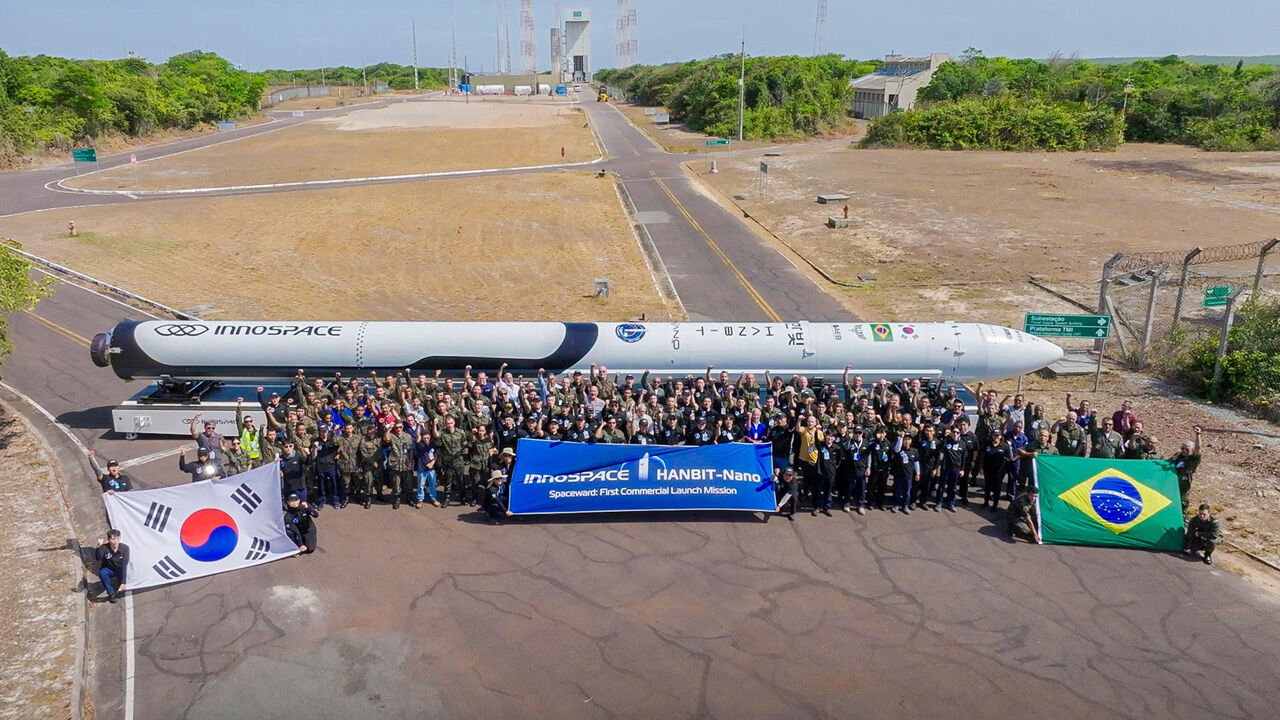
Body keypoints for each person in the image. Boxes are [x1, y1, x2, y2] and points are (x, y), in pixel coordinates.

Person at [1170, 426, 1203, 513]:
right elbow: (1168, 463)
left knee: (1182, 504)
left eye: (1187, 449)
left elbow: (1198, 448)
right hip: (1172, 482)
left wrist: (1198, 434)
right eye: (1182, 449)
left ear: (1191, 450)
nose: (1184, 451)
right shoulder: (1178, 455)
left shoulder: (1193, 459)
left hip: (1183, 485)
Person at [95, 529, 129, 603]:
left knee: (122, 587)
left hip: (119, 570)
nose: (115, 541)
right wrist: (98, 547)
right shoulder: (104, 548)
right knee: (102, 573)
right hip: (109, 569)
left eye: (117, 538)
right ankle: (111, 594)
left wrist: (123, 582)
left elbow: (124, 565)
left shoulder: (125, 549)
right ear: (109, 540)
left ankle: (120, 581)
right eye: (113, 539)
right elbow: (98, 558)